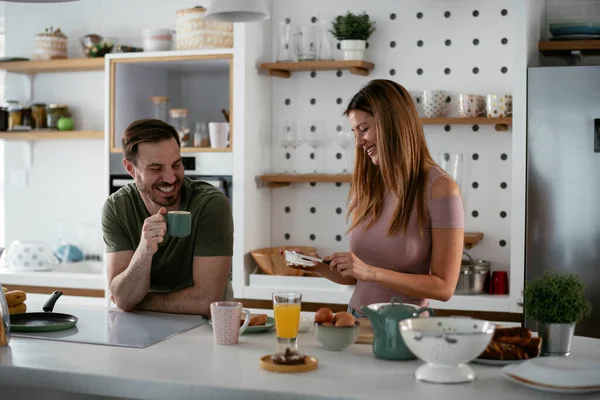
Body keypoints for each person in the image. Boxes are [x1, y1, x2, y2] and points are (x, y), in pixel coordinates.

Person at [289, 79, 464, 318]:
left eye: (364, 129)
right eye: (355, 133)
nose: (359, 142)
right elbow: (355, 276)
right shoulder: (368, 185)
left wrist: (372, 272)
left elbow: (444, 287)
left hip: (405, 329)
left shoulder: (441, 188)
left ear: (393, 124)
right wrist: (313, 264)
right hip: (353, 320)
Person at [102, 119, 234, 315]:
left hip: (204, 330)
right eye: (156, 168)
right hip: (140, 330)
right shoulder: (116, 208)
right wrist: (144, 251)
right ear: (130, 169)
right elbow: (122, 297)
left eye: (176, 164)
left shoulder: (211, 205)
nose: (171, 178)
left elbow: (207, 301)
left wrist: (139, 302)